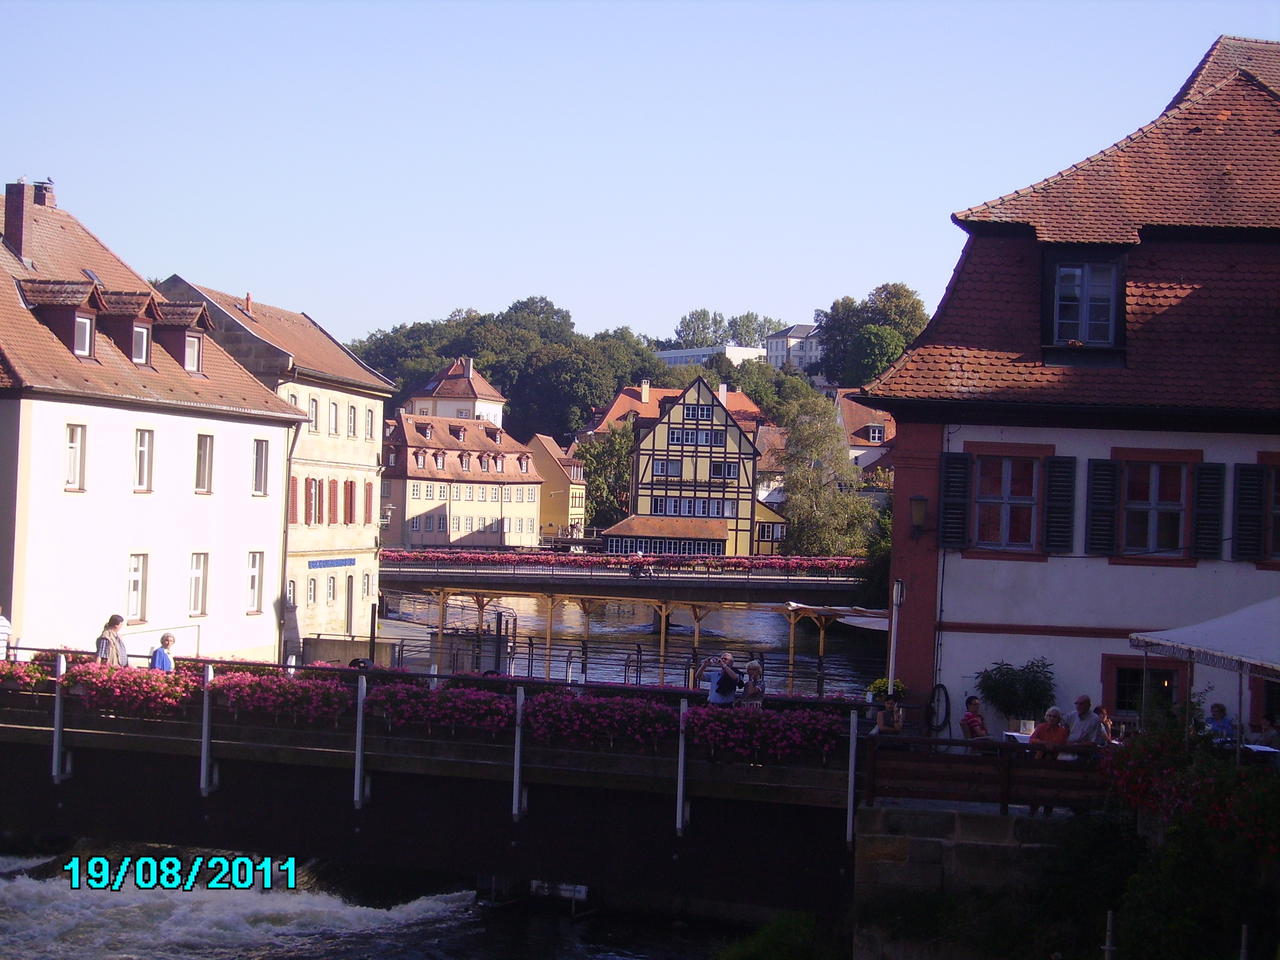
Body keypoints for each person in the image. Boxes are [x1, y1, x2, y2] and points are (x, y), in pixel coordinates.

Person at [1028, 706, 1070, 816]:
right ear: (1046, 717)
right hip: (1040, 759)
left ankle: (1048, 810)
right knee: (1037, 785)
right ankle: (1033, 809)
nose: (1051, 718)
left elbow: (1064, 744)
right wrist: (1044, 743)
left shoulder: (1062, 731)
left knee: (1051, 786)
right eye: (1049, 716)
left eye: (1054, 716)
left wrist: (1054, 746)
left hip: (1054, 761)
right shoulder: (1041, 727)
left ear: (1059, 719)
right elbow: (1032, 740)